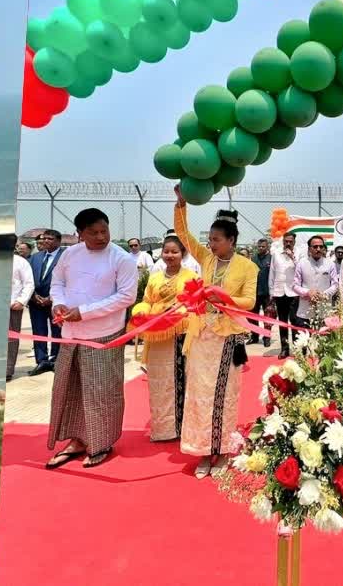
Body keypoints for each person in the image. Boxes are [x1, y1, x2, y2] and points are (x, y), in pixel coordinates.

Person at [173, 186, 259, 478]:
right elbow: (183, 236)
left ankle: (221, 452)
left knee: (223, 394)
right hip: (201, 335)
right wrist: (181, 205)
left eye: (217, 240)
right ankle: (201, 451)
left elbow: (250, 301)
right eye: (209, 239)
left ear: (232, 240)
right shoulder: (206, 259)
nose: (210, 245)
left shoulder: (248, 267)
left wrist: (225, 297)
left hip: (227, 337)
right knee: (198, 394)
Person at [45, 209, 139, 469]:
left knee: (101, 392)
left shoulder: (121, 259)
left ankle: (100, 443)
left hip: (104, 335)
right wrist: (59, 305)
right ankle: (77, 439)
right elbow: (57, 284)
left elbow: (126, 297)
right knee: (71, 388)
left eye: (104, 231)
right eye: (93, 232)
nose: (100, 236)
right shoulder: (70, 254)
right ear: (80, 234)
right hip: (71, 335)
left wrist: (84, 313)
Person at [133, 236, 198, 442]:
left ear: (183, 254)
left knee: (182, 380)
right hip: (158, 336)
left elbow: (196, 304)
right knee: (159, 382)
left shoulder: (191, 277)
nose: (170, 256)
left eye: (174, 252)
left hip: (181, 334)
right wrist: (141, 312)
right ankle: (164, 429)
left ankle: (183, 427)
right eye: (166, 252)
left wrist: (179, 313)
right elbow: (146, 301)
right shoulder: (154, 277)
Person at [28, 230, 64, 375]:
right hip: (36, 302)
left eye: (50, 238)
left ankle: (56, 360)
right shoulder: (35, 257)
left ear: (58, 241)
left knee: (58, 331)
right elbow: (28, 279)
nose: (45, 241)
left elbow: (68, 280)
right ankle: (41, 361)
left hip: (56, 302)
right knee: (38, 331)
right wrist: (33, 296)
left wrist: (51, 298)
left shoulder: (65, 257)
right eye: (44, 238)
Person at [292, 235, 338, 329]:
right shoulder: (302, 263)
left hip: (324, 309)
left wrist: (324, 294)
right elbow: (295, 285)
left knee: (324, 340)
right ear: (309, 249)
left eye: (321, 246)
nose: (318, 249)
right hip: (305, 310)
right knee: (306, 341)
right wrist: (308, 292)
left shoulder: (330, 264)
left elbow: (335, 284)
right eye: (315, 246)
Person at [269, 232, 299, 358]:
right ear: (283, 242)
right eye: (286, 241)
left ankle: (298, 349)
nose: (288, 243)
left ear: (294, 242)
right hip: (279, 292)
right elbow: (272, 273)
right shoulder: (276, 255)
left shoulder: (299, 254)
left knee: (294, 321)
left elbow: (301, 270)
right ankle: (285, 348)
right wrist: (271, 292)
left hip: (294, 293)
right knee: (282, 322)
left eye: (290, 241)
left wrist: (293, 257)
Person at [8, 249, 35, 382]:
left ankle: (7, 370)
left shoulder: (20, 262)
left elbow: (29, 283)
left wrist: (21, 301)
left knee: (10, 340)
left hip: (12, 306)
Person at [251, 238, 272, 348]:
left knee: (268, 316)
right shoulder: (253, 258)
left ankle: (267, 337)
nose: (261, 248)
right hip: (254, 292)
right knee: (253, 316)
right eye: (259, 246)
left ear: (267, 247)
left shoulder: (271, 259)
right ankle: (254, 336)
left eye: (263, 246)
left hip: (267, 292)